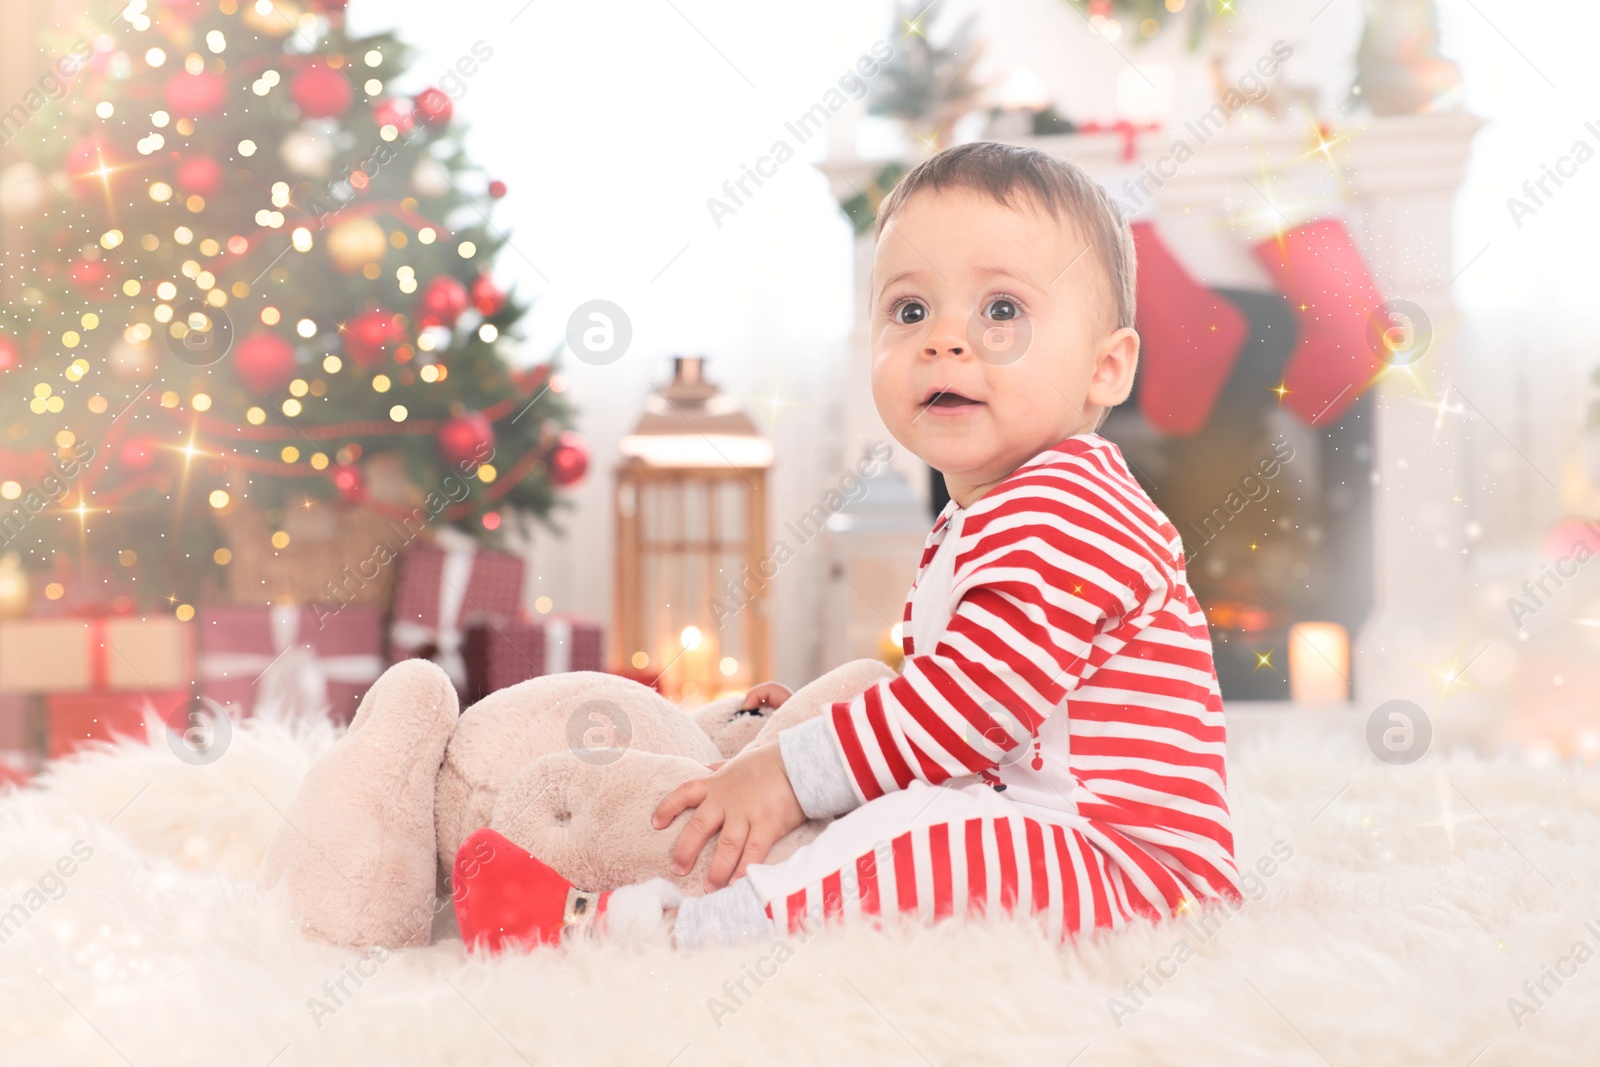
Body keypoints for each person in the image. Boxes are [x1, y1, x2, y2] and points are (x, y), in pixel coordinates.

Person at [453, 140, 1243, 950]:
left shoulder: (1069, 507)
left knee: (920, 841)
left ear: (1105, 368)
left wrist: (789, 770)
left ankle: (634, 928)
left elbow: (964, 712)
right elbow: (949, 709)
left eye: (1001, 310)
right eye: (910, 311)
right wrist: (814, 723)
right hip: (1046, 827)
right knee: (895, 812)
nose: (945, 339)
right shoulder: (991, 512)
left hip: (1132, 869)